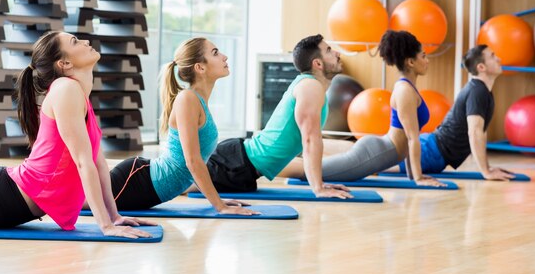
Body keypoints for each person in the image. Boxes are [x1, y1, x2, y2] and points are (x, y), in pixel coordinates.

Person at [0, 31, 154, 238]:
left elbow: (98, 164)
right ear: (64, 63)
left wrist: (114, 216)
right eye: (75, 41)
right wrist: (106, 226)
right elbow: (83, 162)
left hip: (7, 198)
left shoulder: (78, 94)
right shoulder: (66, 89)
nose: (86, 41)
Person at [107, 38, 259, 215]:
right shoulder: (187, 99)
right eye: (216, 53)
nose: (225, 57)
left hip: (149, 188)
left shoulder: (198, 101)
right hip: (139, 180)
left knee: (76, 198)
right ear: (200, 67)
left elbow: (196, 163)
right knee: (73, 204)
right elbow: (192, 161)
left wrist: (218, 200)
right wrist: (220, 206)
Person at [279, 30, 446, 187]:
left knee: (314, 167)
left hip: (380, 151)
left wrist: (413, 176)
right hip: (374, 154)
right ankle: (260, 166)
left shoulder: (408, 88)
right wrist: (418, 178)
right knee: (305, 171)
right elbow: (412, 138)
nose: (427, 60)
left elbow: (410, 139)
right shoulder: (405, 91)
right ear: (411, 62)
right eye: (423, 56)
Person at [198, 34, 352, 199]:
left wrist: (319, 183)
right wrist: (318, 188)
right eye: (329, 50)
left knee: (183, 182)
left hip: (244, 166)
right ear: (318, 63)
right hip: (235, 162)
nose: (337, 53)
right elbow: (310, 140)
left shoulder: (312, 87)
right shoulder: (310, 86)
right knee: (179, 185)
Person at [392, 44, 515, 181]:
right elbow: (474, 132)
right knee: (379, 166)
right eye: (492, 56)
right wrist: (486, 172)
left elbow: (479, 132)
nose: (498, 59)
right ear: (481, 67)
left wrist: (487, 167)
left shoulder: (482, 90)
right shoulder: (478, 92)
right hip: (429, 152)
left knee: (382, 162)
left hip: (433, 151)